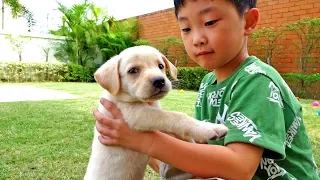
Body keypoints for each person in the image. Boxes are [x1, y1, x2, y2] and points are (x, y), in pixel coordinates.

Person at [93, 0, 320, 179]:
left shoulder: (257, 81)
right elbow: (199, 153)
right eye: (186, 28)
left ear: (248, 21)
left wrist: (144, 141)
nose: (197, 38)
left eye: (210, 22)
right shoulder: (208, 84)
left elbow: (240, 169)